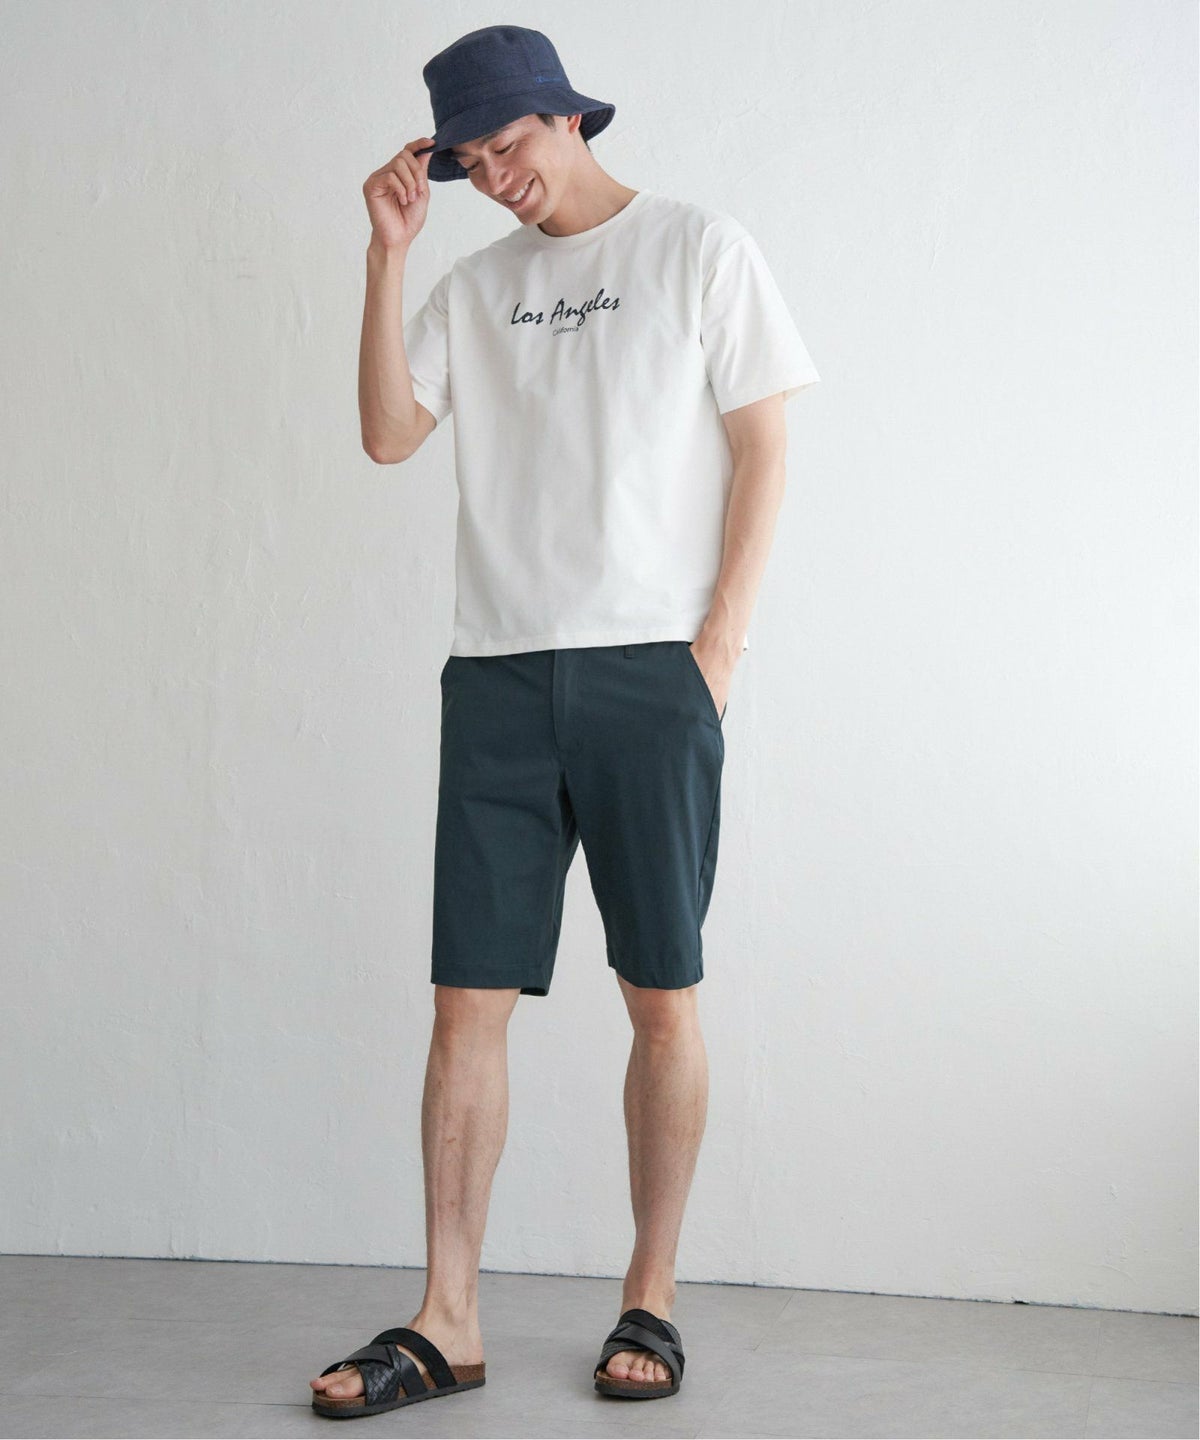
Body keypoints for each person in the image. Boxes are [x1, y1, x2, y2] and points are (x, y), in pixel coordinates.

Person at [310, 24, 821, 1422]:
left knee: (660, 990)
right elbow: (388, 433)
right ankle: (448, 1320)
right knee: (464, 1000)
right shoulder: (473, 285)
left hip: (652, 670)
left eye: (511, 144)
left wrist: (716, 648)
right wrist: (387, 256)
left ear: (568, 117)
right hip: (496, 676)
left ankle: (650, 1295)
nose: (498, 176)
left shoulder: (697, 248)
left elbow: (766, 444)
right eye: (472, 161)